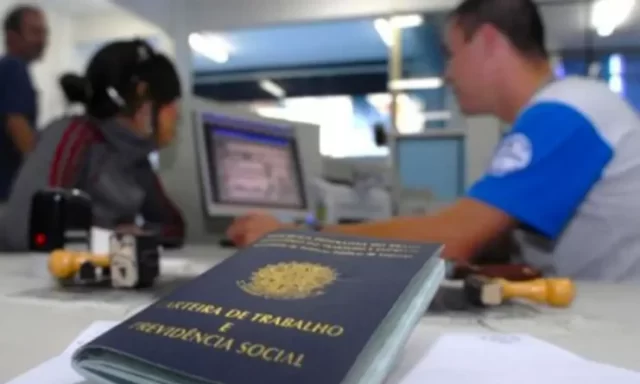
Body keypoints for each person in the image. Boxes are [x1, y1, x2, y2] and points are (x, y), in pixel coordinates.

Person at [227, 0, 640, 281]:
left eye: (450, 53)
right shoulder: (570, 107)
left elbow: (453, 239)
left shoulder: (566, 111)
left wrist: (295, 239)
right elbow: (487, 238)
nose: (447, 74)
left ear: (488, 42)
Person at [0, 39, 185, 251]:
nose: (177, 115)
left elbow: (174, 227)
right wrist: (111, 238)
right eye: (170, 103)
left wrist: (137, 235)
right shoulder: (74, 137)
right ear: (142, 95)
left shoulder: (135, 158)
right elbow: (27, 231)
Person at [0, 5, 48, 200]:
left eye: (44, 33)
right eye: (35, 32)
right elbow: (17, 124)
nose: (42, 40)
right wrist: (45, 174)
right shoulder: (14, 68)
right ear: (12, 36)